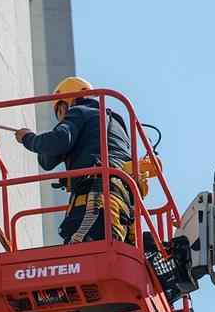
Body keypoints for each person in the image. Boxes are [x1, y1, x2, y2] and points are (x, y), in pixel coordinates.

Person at [13, 76, 135, 244]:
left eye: (60, 112)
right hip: (121, 205)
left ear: (66, 104)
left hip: (94, 199)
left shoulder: (79, 112)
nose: (61, 119)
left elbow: (58, 141)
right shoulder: (114, 124)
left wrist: (28, 138)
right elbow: (47, 161)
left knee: (81, 250)